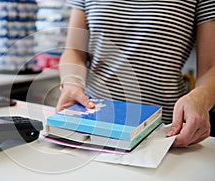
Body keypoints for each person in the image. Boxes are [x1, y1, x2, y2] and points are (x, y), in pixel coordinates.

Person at [56, 0, 215, 147]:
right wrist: (71, 81)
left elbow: (210, 67)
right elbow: (74, 50)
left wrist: (201, 97)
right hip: (93, 122)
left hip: (162, 132)